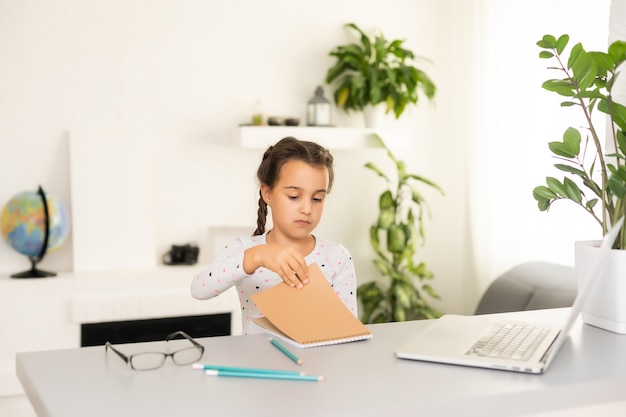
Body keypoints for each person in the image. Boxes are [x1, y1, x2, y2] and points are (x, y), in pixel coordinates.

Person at [191, 136, 358, 335]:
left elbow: (347, 332)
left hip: (316, 365)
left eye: (317, 198)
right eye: (294, 197)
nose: (306, 208)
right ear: (267, 193)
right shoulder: (245, 250)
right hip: (258, 365)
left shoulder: (336, 257)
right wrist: (257, 256)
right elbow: (199, 289)